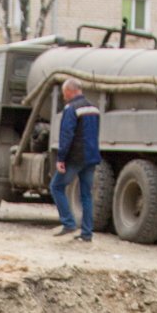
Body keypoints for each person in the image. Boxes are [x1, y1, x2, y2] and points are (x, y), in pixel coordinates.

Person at [50, 77, 101, 243]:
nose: (64, 97)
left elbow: (67, 134)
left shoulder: (71, 108)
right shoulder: (94, 108)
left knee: (56, 186)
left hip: (75, 157)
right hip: (91, 156)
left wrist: (61, 158)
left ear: (71, 91)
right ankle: (87, 233)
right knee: (86, 195)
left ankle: (68, 222)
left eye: (65, 93)